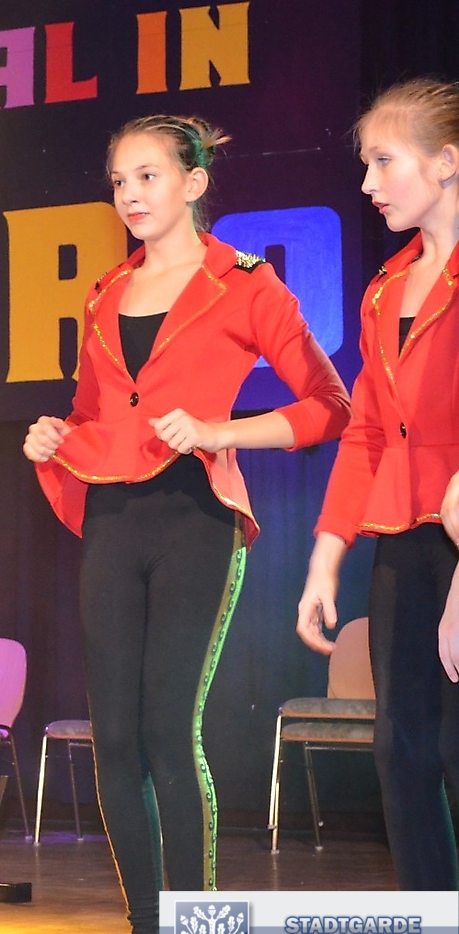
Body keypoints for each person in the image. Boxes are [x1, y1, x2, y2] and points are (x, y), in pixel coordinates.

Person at [24, 117, 350, 934]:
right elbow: (95, 414)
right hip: (112, 519)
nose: (130, 194)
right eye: (118, 180)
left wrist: (218, 431)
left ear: (195, 182)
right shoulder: (103, 293)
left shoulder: (244, 283)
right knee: (115, 736)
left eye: (148, 176)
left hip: (195, 518)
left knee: (168, 730)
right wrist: (56, 435)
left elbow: (329, 406)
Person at [299, 79, 459, 892]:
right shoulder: (384, 291)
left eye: (384, 161)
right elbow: (366, 430)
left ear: (447, 162)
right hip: (403, 537)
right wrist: (326, 559)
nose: (368, 183)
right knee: (402, 748)